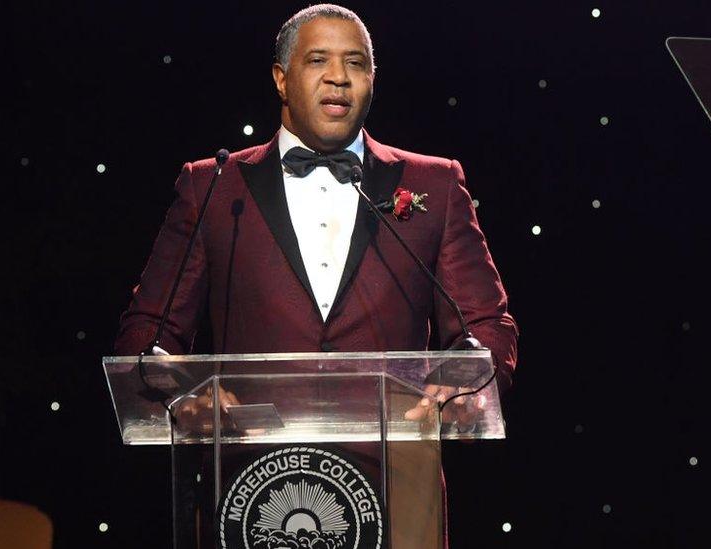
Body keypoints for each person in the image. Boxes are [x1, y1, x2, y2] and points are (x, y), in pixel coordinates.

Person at [115, 6, 519, 546]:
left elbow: (488, 326)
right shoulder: (213, 188)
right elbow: (147, 333)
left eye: (356, 62)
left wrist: (465, 383)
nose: (338, 77)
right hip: (247, 490)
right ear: (282, 78)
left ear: (372, 79)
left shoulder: (435, 185)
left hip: (395, 488)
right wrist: (184, 393)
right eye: (318, 61)